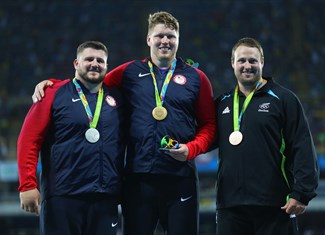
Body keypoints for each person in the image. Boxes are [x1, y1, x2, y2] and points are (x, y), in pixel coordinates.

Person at [31, 11, 216, 235]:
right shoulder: (129, 72)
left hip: (180, 177)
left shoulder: (197, 78)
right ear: (149, 39)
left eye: (171, 36)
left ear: (178, 40)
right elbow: (89, 82)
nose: (165, 41)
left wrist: (191, 149)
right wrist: (54, 86)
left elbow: (209, 125)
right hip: (138, 180)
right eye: (159, 36)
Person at [18, 41, 126, 235]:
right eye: (89, 59)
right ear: (76, 63)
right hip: (62, 196)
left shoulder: (117, 98)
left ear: (107, 67)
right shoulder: (52, 93)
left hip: (104, 197)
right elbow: (28, 140)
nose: (95, 63)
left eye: (100, 60)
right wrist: (27, 185)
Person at [214, 37, 319, 235]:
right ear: (232, 63)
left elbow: (302, 146)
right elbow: (205, 138)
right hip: (230, 207)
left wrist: (302, 193)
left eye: (253, 61)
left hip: (274, 204)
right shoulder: (222, 103)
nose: (247, 66)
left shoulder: (284, 99)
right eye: (242, 60)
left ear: (262, 62)